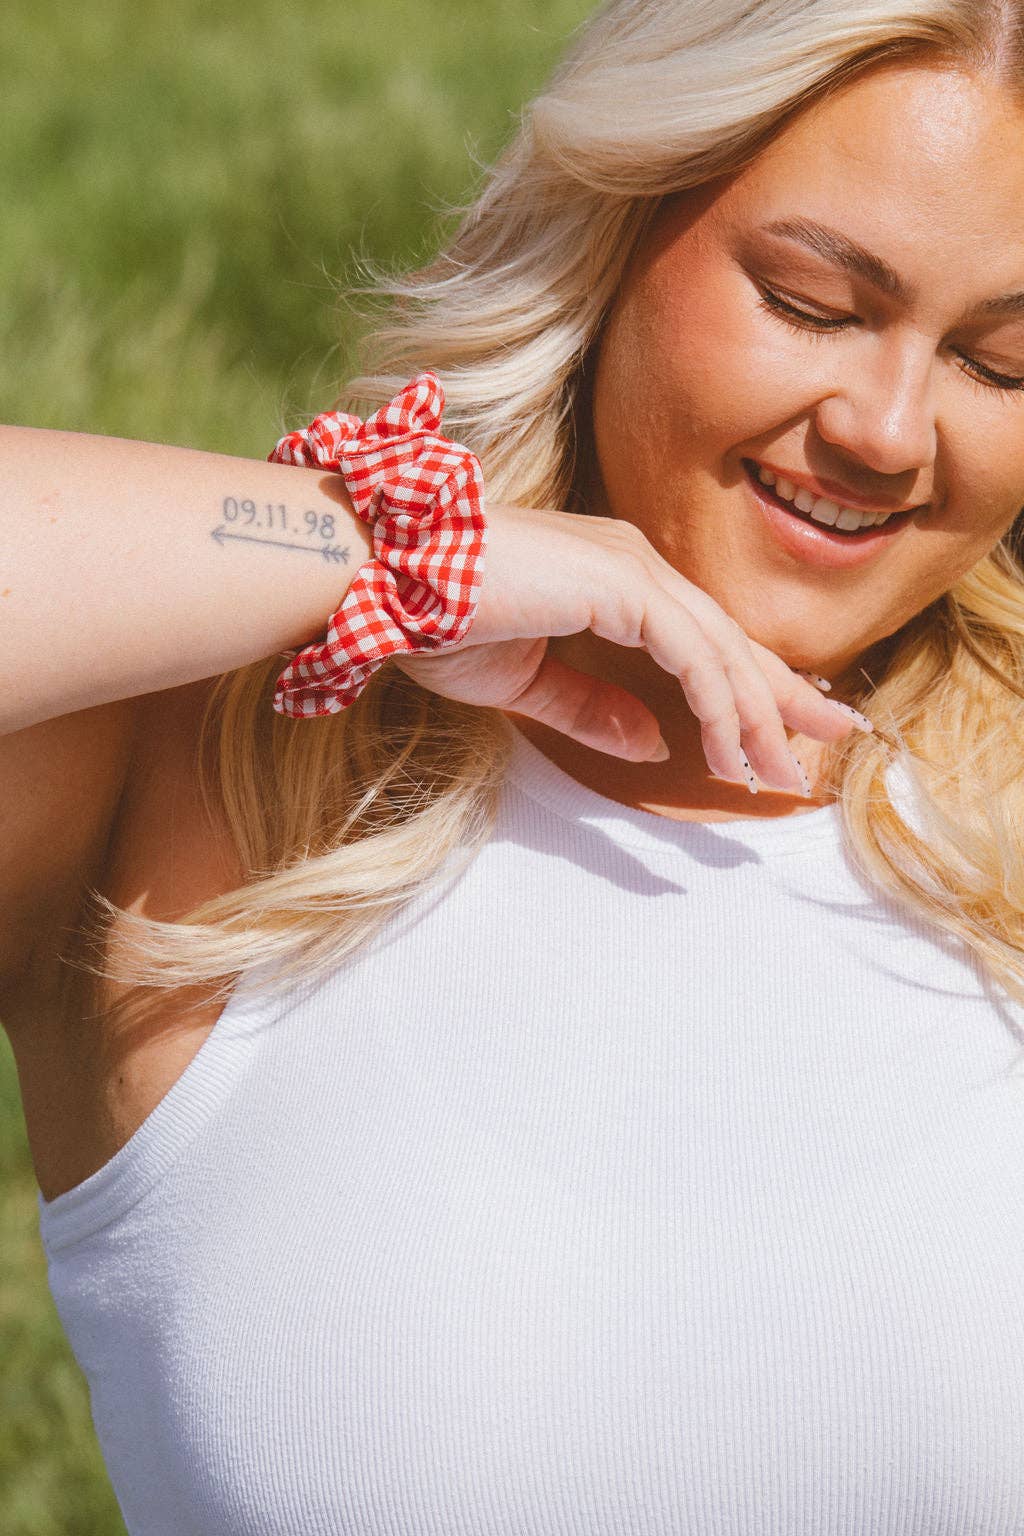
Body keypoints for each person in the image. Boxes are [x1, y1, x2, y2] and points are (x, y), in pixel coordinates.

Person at [4, 0, 1024, 1529]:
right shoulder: (215, 774)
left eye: (1001, 364)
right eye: (812, 302)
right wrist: (392, 555)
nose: (886, 429)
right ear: (610, 236)